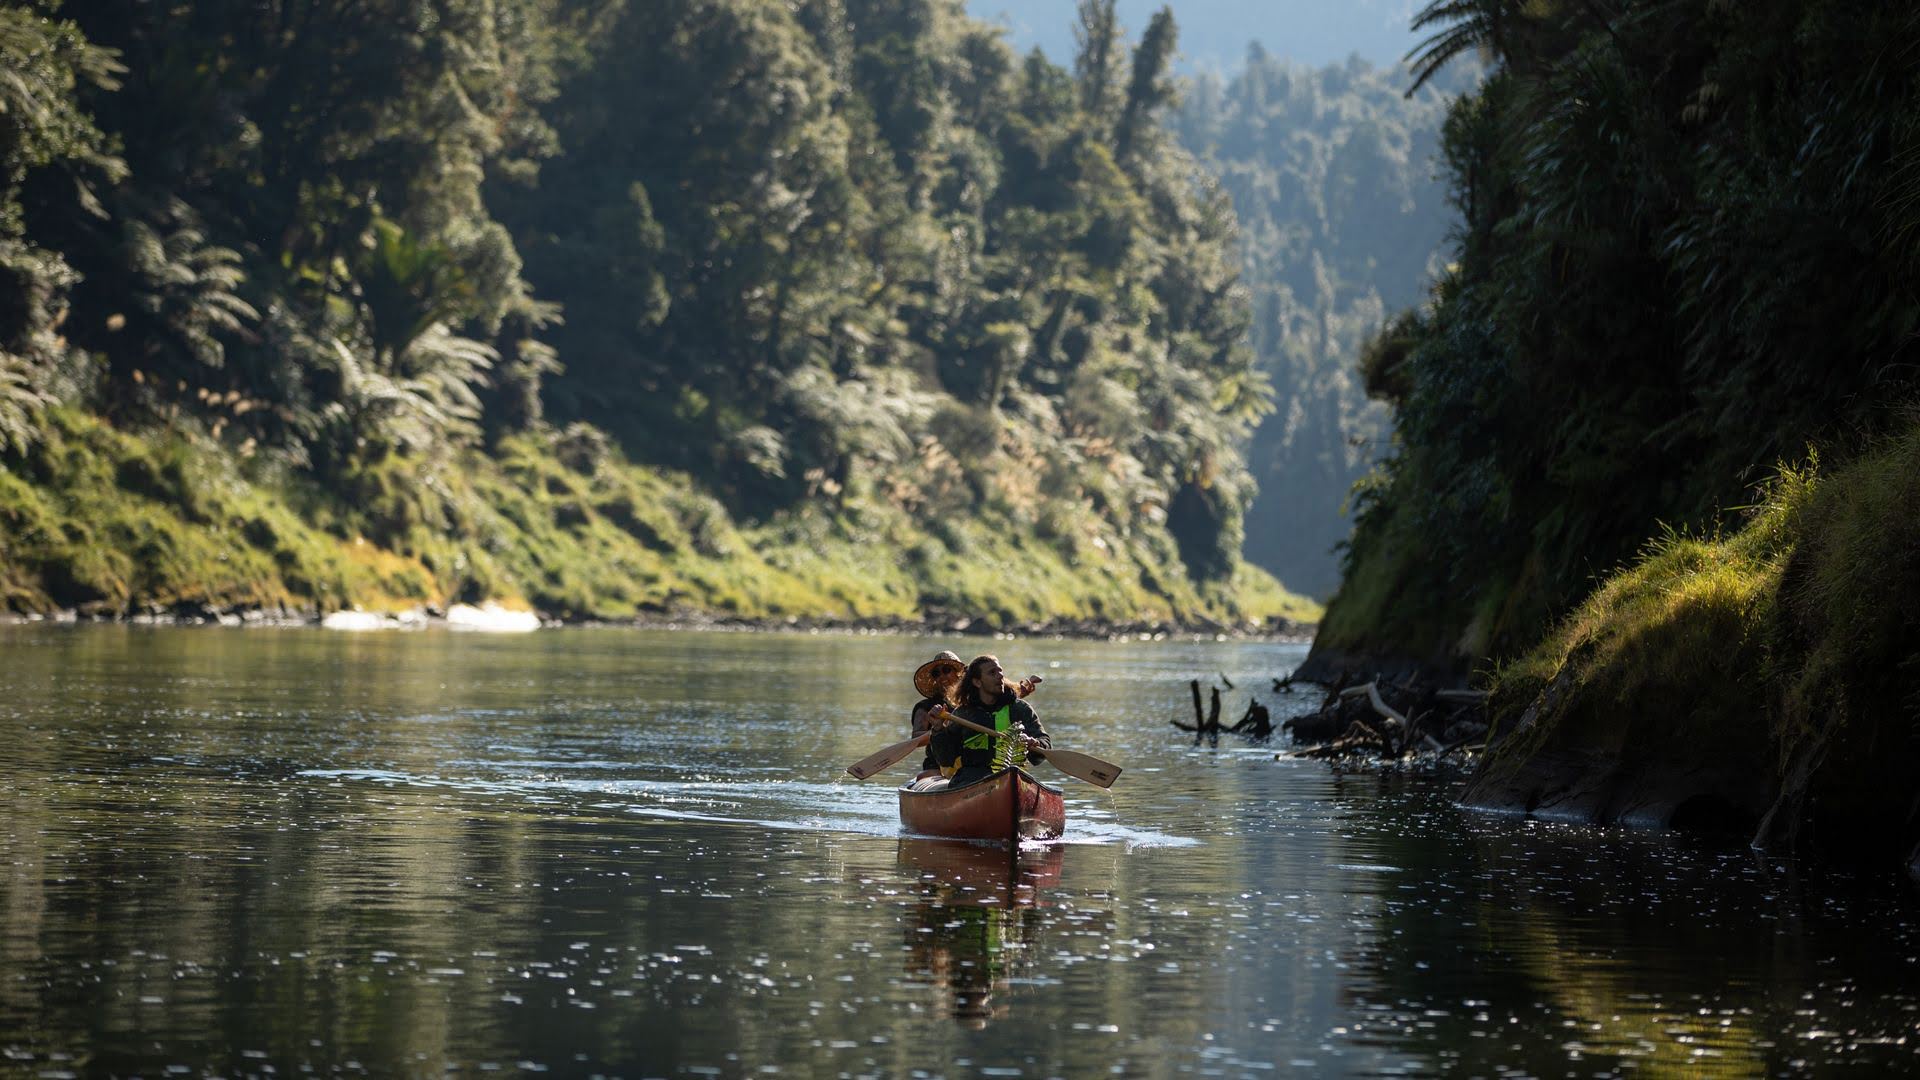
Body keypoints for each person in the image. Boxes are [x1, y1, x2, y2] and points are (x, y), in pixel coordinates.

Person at [929, 654, 1050, 788]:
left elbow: (1042, 748)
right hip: (971, 781)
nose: (1000, 676)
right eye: (992, 673)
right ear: (977, 682)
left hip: (1014, 779)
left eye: (1000, 671)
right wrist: (938, 729)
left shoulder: (1020, 709)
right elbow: (946, 759)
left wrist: (1035, 743)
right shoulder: (963, 714)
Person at [909, 651, 966, 778]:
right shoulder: (925, 707)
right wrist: (940, 730)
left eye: (946, 670)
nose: (942, 676)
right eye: (936, 673)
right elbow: (916, 738)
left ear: (958, 674)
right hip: (937, 766)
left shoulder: (972, 703)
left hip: (971, 764)